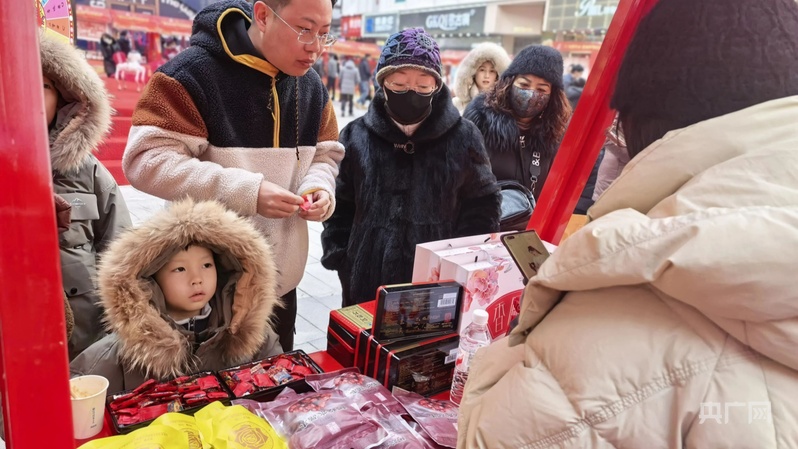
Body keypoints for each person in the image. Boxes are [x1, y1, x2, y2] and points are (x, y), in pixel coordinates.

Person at [457, 0, 798, 446]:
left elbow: (494, 434)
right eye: (525, 84)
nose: (532, 95)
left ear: (648, 123)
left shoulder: (615, 282)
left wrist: (503, 353)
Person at [122, 0, 343, 352]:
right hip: (208, 289)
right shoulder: (190, 75)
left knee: (278, 379)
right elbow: (145, 160)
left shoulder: (312, 85)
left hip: (281, 285)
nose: (315, 47)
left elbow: (326, 153)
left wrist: (318, 186)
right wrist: (246, 191)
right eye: (304, 30)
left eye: (325, 34)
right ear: (263, 15)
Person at [320, 28, 501, 306]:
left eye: (423, 85)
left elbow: (483, 202)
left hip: (437, 285)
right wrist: (343, 256)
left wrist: (462, 262)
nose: (411, 92)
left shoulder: (463, 136)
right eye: (399, 84)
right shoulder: (357, 135)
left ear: (436, 86)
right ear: (382, 83)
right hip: (366, 282)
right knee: (364, 335)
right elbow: (340, 201)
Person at [70, 200, 283, 394]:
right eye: (180, 269)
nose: (196, 279)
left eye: (206, 265)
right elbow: (77, 396)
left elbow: (283, 388)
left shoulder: (254, 336)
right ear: (150, 280)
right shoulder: (120, 355)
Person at [41, 32, 132, 360]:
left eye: (44, 86)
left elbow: (121, 251)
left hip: (87, 346)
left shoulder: (88, 172)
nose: (30, 95)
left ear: (65, 99)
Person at [463, 45, 571, 201]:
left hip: (533, 216)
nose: (531, 94)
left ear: (552, 96)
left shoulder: (554, 133)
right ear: (509, 83)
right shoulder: (479, 120)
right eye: (524, 85)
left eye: (541, 89)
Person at [452, 42, 511, 113]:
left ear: (497, 75)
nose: (487, 76)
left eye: (492, 71)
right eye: (482, 70)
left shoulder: (504, 107)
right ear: (474, 72)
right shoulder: (457, 104)